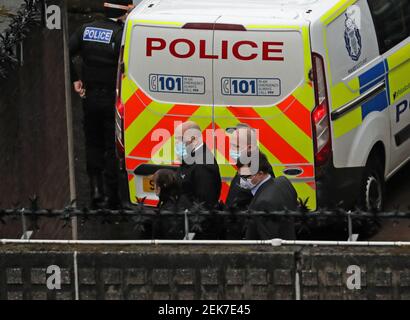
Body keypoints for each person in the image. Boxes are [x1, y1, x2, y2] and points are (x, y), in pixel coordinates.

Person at [69, 1, 133, 209]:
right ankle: (113, 196)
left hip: (91, 98)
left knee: (93, 144)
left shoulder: (85, 30)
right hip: (112, 100)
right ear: (124, 11)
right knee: (111, 147)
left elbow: (67, 51)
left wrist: (75, 78)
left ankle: (96, 192)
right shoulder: (121, 34)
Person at [238, 152, 298, 240]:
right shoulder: (283, 182)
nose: (242, 180)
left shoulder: (263, 203)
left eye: (245, 176)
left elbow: (268, 241)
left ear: (260, 174)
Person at [225, 123, 274, 211]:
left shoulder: (260, 170)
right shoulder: (246, 163)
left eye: (236, 146)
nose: (232, 150)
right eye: (231, 145)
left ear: (250, 147)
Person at [175, 121, 222, 209]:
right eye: (176, 140)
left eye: (180, 139)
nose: (177, 143)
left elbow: (204, 205)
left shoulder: (203, 165)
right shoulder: (191, 158)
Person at [149, 169, 192, 239]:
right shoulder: (182, 199)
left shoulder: (167, 209)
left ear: (160, 187)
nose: (154, 188)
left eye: (154, 184)